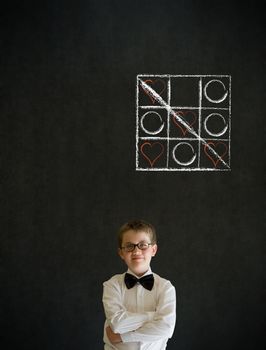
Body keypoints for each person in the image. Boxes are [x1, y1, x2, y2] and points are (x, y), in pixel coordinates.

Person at [102, 220, 176, 349]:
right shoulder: (112, 285)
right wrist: (153, 316)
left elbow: (166, 329)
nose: (136, 251)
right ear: (121, 253)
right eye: (129, 246)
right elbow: (117, 324)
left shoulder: (165, 287)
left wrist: (122, 337)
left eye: (143, 245)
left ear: (153, 250)